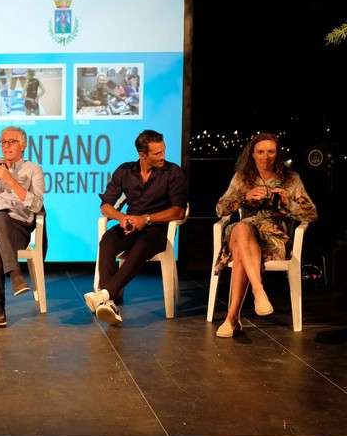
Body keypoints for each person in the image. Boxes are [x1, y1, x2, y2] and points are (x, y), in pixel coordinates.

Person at [212, 132, 318, 338]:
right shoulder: (242, 177)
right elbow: (220, 209)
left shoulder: (291, 179)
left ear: (277, 154)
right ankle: (258, 290)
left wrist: (288, 203)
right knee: (242, 228)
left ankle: (232, 318)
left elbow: (312, 214)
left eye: (271, 152)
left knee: (240, 250)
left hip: (273, 237)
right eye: (260, 152)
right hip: (244, 231)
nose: (265, 157)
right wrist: (244, 197)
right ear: (252, 154)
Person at [85, 130, 187, 326]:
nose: (163, 156)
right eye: (157, 153)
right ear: (143, 155)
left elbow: (178, 212)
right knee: (107, 241)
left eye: (164, 151)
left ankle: (104, 295)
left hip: (156, 229)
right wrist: (121, 218)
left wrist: (146, 219)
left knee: (142, 244)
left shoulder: (173, 172)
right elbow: (105, 205)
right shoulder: (125, 171)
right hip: (131, 225)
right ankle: (109, 302)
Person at [0, 126, 45, 327]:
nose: (6, 146)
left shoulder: (33, 170)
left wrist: (10, 180)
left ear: (23, 145)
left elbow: (37, 205)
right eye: (3, 142)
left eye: (12, 141)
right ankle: (15, 274)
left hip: (17, 228)